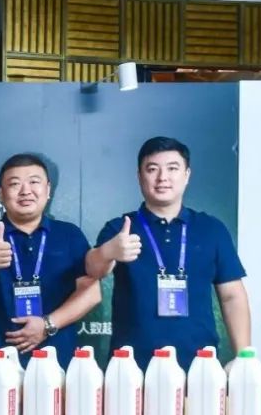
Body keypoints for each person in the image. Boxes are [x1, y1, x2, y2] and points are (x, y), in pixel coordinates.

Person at [86, 136, 250, 370]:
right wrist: (109, 251)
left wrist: (243, 357)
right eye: (152, 169)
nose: (162, 177)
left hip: (200, 364)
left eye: (172, 168)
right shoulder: (120, 228)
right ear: (139, 176)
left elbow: (232, 296)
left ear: (187, 175)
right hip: (131, 365)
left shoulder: (211, 229)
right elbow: (93, 269)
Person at [0, 154, 100, 369]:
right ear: (1, 193)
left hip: (57, 361)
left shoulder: (69, 235)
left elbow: (92, 293)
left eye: (34, 182)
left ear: (48, 189)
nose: (25, 191)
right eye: (14, 184)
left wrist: (47, 325)